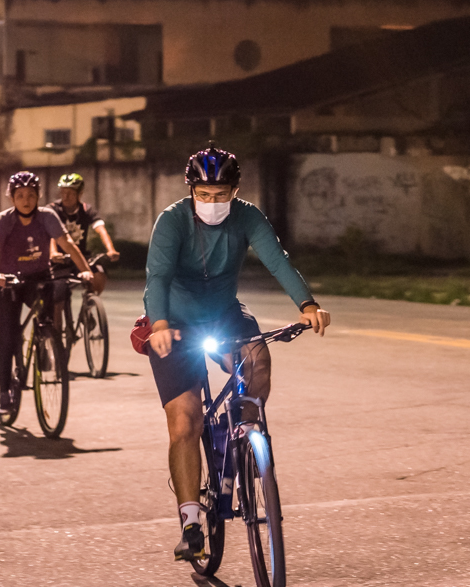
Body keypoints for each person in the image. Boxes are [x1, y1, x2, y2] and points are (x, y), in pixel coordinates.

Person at [145, 145, 330, 561]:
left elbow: (278, 261)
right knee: (186, 420)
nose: (213, 203)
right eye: (205, 195)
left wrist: (307, 305)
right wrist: (158, 324)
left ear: (235, 190)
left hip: (224, 313)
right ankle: (191, 519)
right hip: (173, 325)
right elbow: (156, 276)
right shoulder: (172, 221)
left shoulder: (248, 216)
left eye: (222, 194)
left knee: (258, 360)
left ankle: (243, 441)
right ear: (191, 190)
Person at [0, 171, 93, 414]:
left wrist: (85, 271)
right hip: (7, 281)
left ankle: (44, 341)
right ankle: (4, 391)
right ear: (12, 198)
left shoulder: (47, 216)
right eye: (20, 195)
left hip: (37, 278)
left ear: (38, 197)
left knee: (50, 306)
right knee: (8, 334)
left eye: (31, 195)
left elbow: (67, 243)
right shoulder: (4, 220)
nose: (26, 200)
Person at [49, 173, 119, 294]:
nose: (66, 197)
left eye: (70, 193)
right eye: (63, 192)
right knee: (57, 295)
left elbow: (101, 229)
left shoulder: (87, 210)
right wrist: (53, 253)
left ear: (79, 194)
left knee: (99, 273)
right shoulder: (53, 210)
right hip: (58, 259)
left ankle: (90, 302)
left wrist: (111, 249)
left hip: (80, 257)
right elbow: (51, 235)